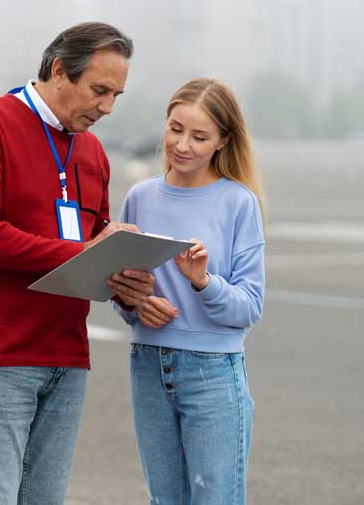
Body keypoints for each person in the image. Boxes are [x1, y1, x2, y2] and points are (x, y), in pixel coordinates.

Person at [0, 22, 157, 504]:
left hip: (66, 356)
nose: (107, 107)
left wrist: (128, 281)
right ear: (60, 71)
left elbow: (97, 245)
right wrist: (84, 253)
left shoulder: (93, 151)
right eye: (99, 90)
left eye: (117, 95)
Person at [107, 78, 265, 505]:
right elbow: (122, 286)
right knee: (165, 500)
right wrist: (136, 305)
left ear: (222, 141)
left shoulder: (238, 202)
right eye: (176, 129)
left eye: (200, 136)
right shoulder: (139, 197)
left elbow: (249, 308)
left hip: (213, 371)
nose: (183, 145)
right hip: (148, 367)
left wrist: (203, 281)